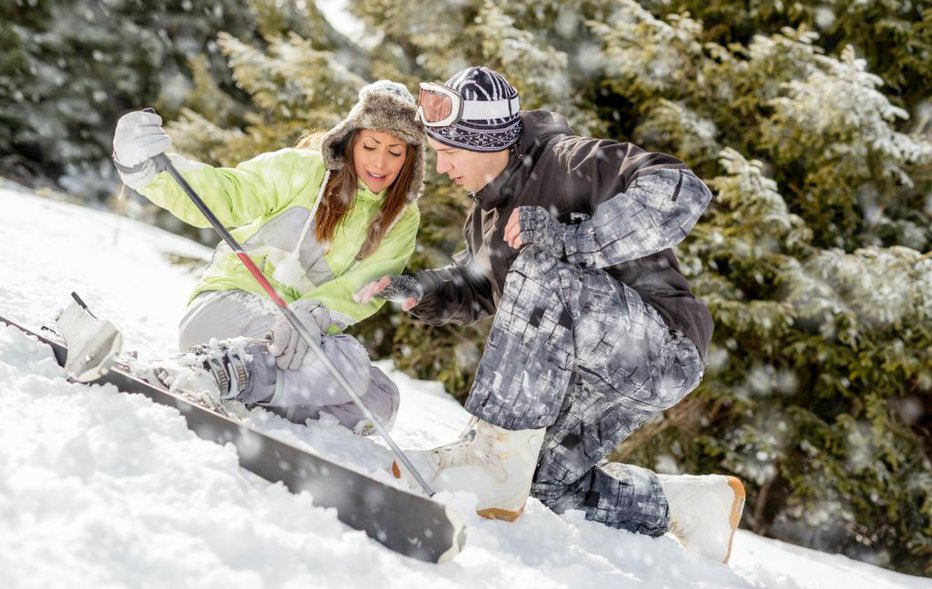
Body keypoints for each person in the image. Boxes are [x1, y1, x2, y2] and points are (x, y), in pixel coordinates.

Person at [355, 67, 745, 563]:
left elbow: (681, 191)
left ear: (487, 142)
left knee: (542, 264)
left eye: (451, 152)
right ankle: (691, 506)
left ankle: (489, 458)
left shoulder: (568, 161)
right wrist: (419, 289)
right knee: (544, 481)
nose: (443, 166)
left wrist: (572, 239)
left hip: (660, 344)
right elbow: (480, 287)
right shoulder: (487, 216)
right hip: (592, 364)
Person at [110, 80, 425, 434]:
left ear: (410, 158)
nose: (380, 162)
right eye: (370, 146)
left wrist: (313, 312)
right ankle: (207, 371)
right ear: (351, 138)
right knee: (347, 364)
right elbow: (226, 194)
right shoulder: (302, 169)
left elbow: (366, 286)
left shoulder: (401, 217)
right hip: (232, 308)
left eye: (395, 152)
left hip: (298, 340)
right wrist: (150, 171)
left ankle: (240, 387)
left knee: (380, 401)